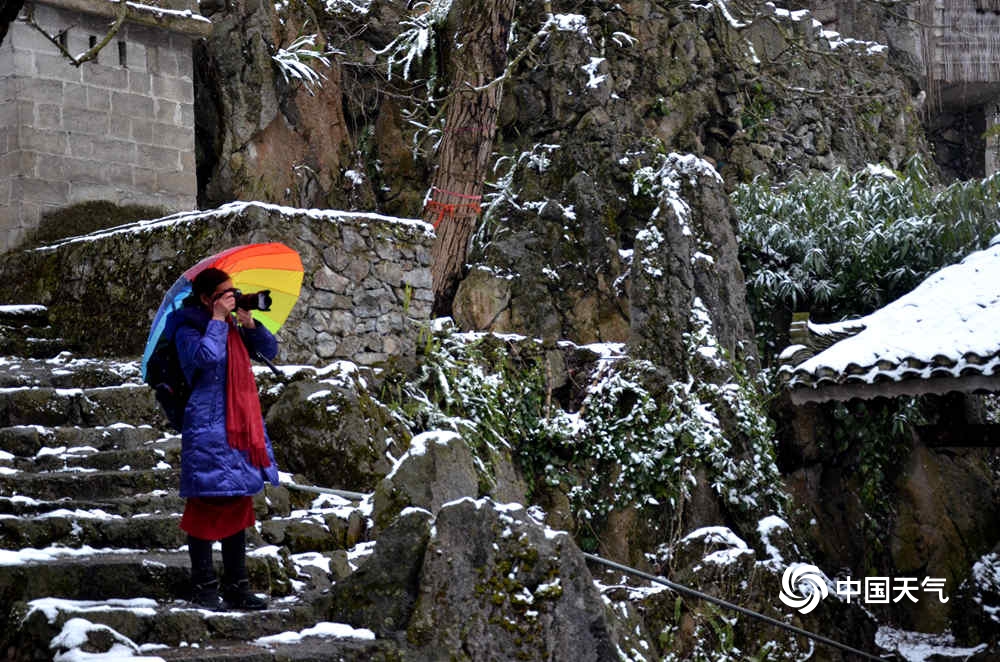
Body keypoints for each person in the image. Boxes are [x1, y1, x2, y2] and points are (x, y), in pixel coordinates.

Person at [173, 267, 280, 610]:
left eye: (234, 291)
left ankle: (237, 586)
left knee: (238, 500)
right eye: (225, 294)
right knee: (206, 502)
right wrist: (218, 321)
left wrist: (248, 323)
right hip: (207, 424)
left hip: (239, 425)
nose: (233, 298)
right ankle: (204, 587)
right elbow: (205, 360)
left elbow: (270, 350)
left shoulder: (233, 326)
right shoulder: (187, 327)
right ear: (206, 299)